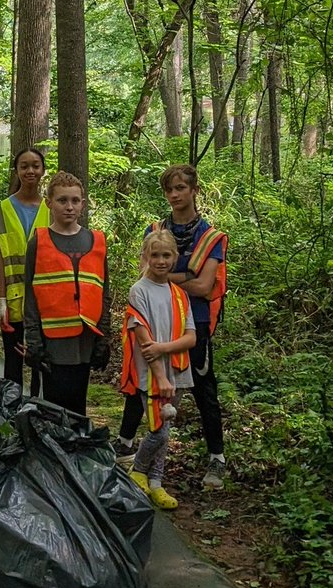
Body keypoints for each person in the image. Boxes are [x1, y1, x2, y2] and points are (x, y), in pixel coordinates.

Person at [114, 164, 229, 490]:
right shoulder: (156, 230)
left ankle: (216, 458)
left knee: (204, 390)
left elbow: (205, 286)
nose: (175, 195)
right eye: (170, 190)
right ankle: (124, 444)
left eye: (181, 188)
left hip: (195, 323)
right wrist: (184, 279)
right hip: (153, 319)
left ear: (194, 190)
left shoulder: (210, 237)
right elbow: (144, 275)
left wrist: (166, 279)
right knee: (143, 383)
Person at [119, 229, 197, 510]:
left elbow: (191, 337)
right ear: (146, 257)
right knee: (159, 429)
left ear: (175, 257)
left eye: (166, 255)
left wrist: (164, 349)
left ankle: (156, 481)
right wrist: (160, 375)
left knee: (167, 427)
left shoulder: (179, 294)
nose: (161, 261)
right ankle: (139, 470)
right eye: (155, 255)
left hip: (176, 368)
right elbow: (144, 341)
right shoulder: (139, 291)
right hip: (152, 374)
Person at [22, 171, 111, 416]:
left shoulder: (96, 241)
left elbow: (104, 293)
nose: (69, 207)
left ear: (83, 203)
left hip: (85, 341)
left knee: (77, 408)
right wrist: (34, 341)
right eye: (62, 200)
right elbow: (31, 295)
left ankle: (76, 451)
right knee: (53, 409)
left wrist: (104, 338)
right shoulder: (39, 242)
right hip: (52, 344)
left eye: (75, 200)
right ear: (49, 202)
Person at [0, 147, 49, 397]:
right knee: (13, 364)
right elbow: (1, 258)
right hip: (13, 301)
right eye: (24, 166)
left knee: (40, 363)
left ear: (43, 171)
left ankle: (37, 413)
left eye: (35, 165)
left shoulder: (52, 209)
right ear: (16, 171)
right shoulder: (1, 211)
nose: (30, 171)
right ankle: (11, 415)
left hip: (45, 303)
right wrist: (1, 300)